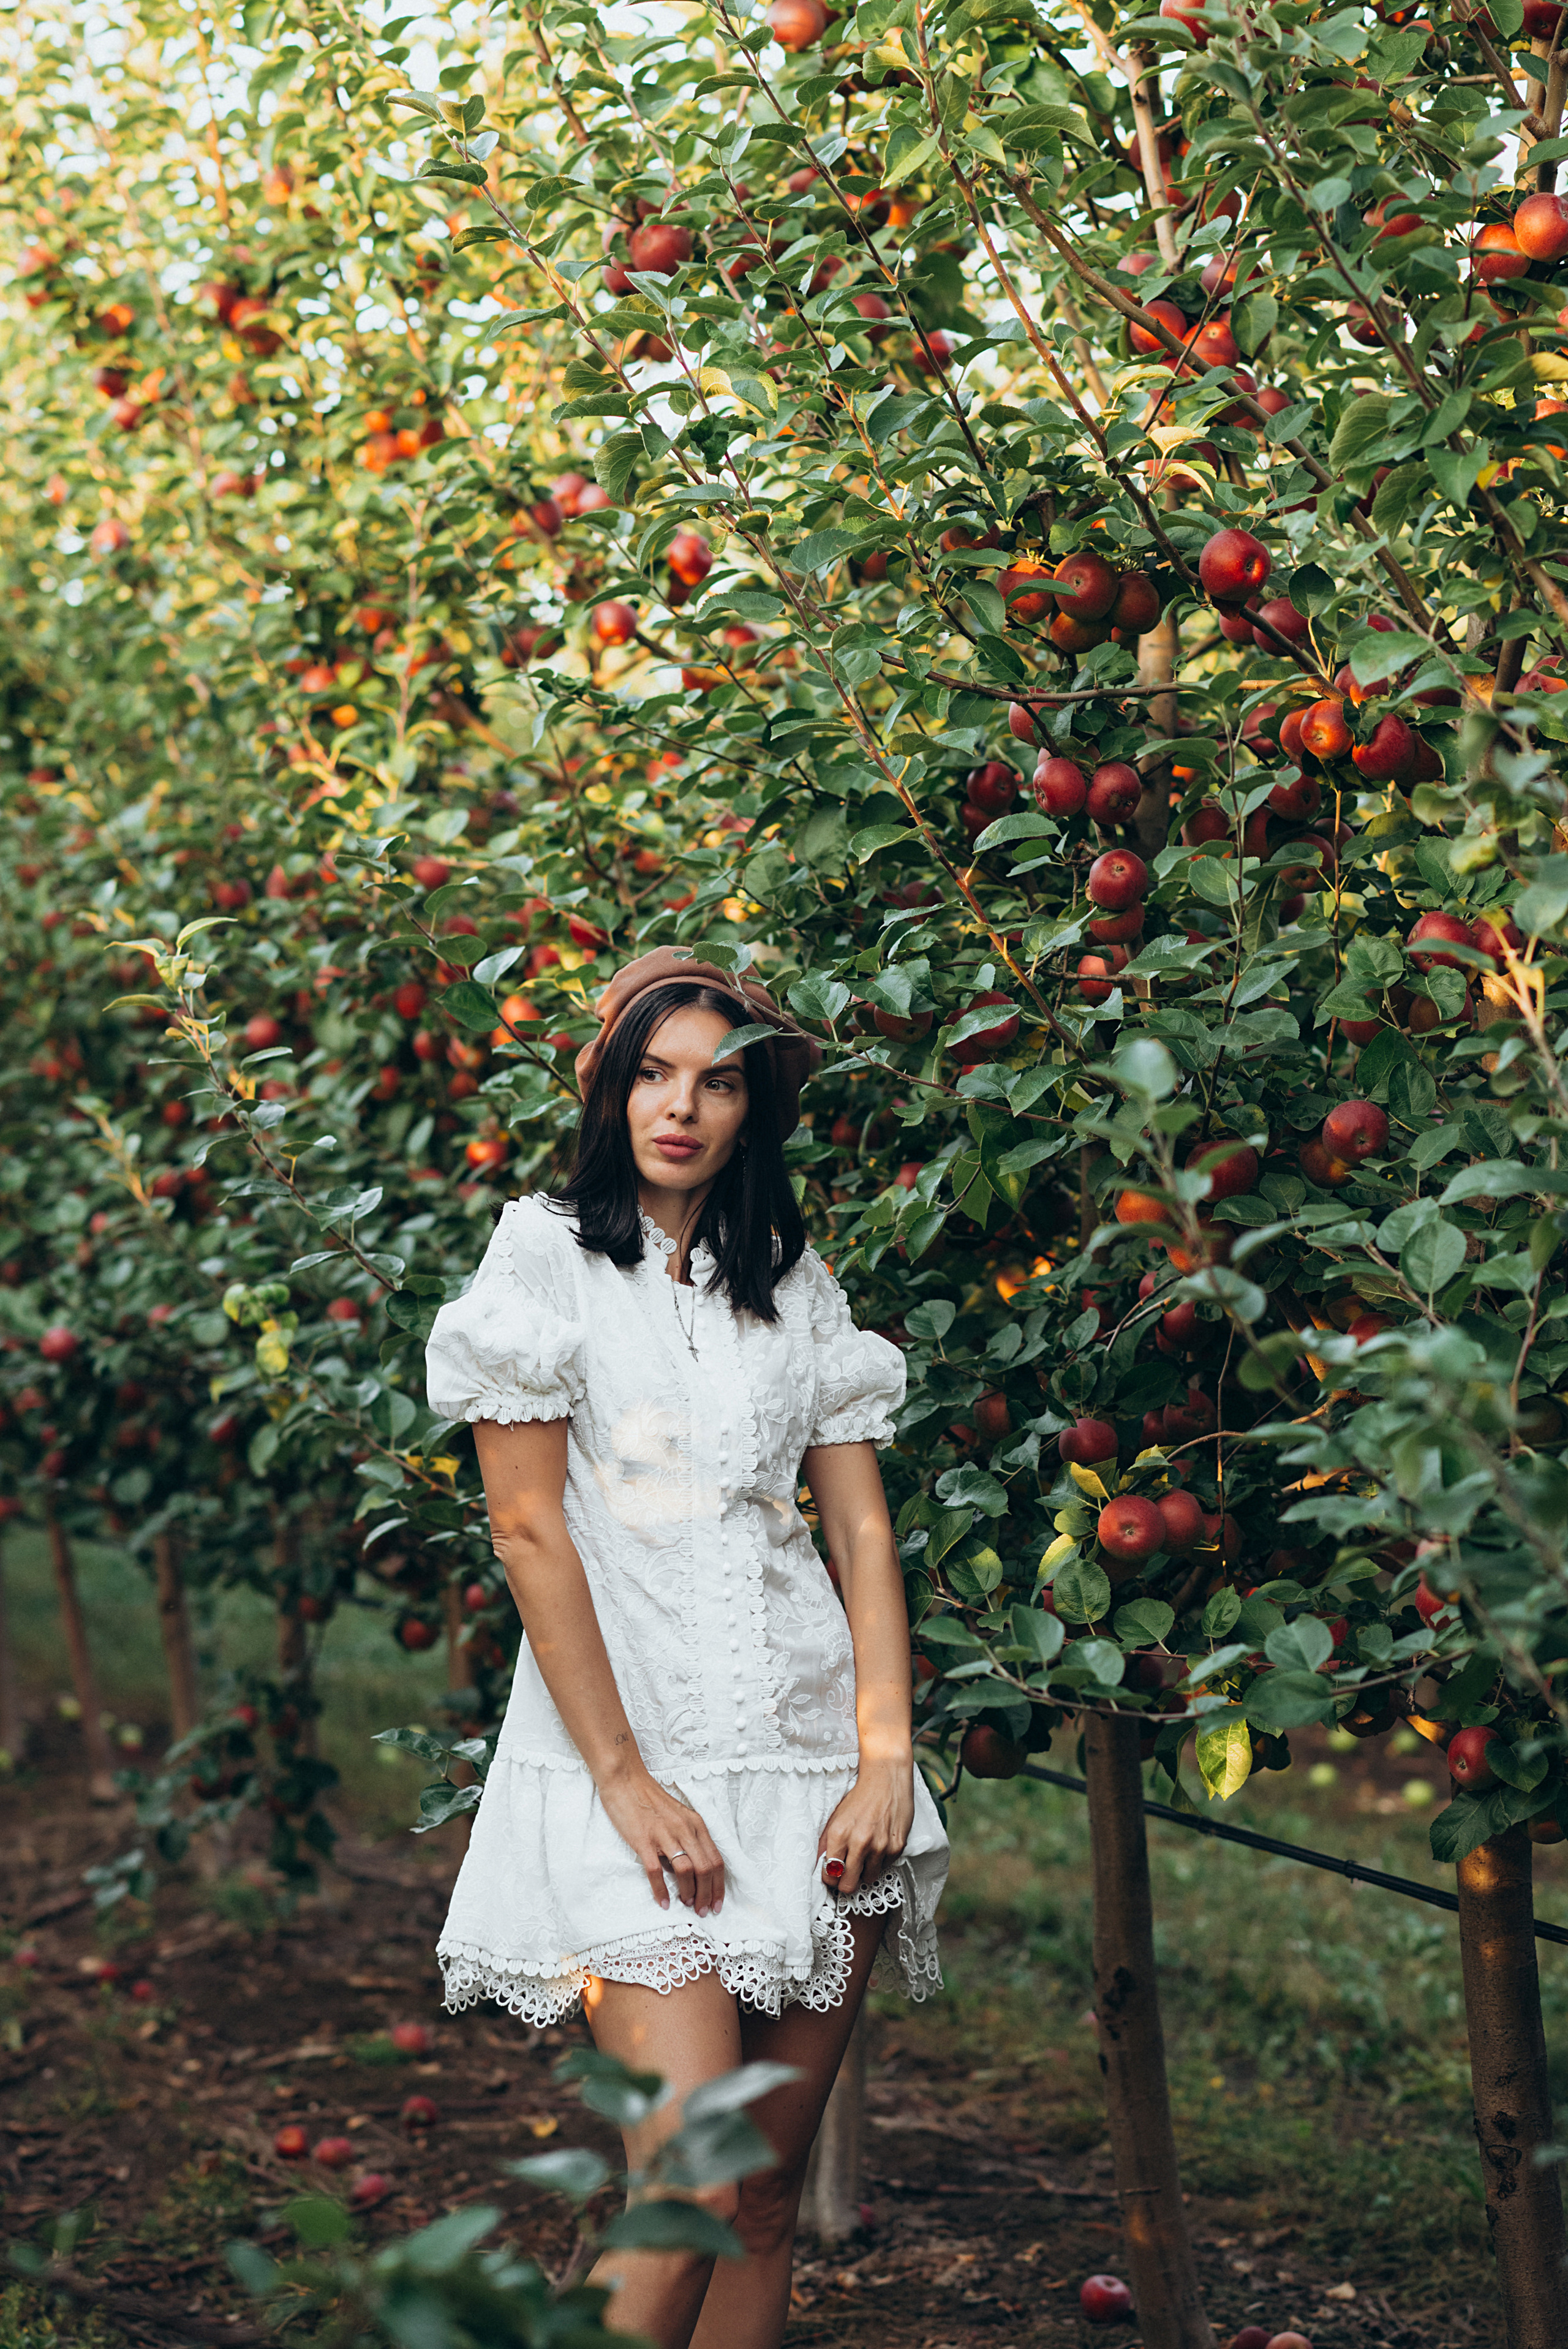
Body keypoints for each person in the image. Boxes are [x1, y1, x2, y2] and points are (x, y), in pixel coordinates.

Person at [424, 945, 948, 2348]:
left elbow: (861, 1535)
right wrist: (623, 1777)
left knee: (762, 2192)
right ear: (608, 1085)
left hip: (806, 1763)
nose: (682, 1106)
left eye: (716, 1080)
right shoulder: (542, 1259)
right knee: (685, 2185)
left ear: (750, 1105)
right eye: (653, 1073)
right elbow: (528, 1530)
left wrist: (882, 1753)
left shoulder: (787, 1273)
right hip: (629, 1769)